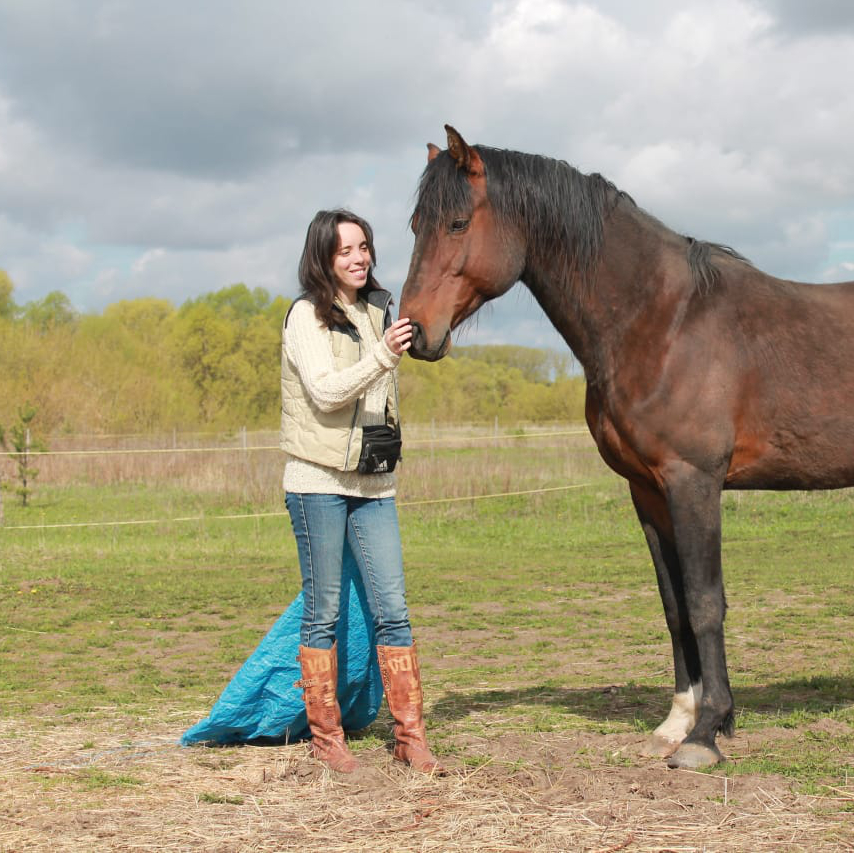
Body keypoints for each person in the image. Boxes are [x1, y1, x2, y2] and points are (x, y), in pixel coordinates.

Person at [280, 208, 444, 775]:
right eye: (346, 249)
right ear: (323, 257)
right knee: (323, 611)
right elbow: (326, 394)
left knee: (393, 610)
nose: (359, 258)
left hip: (374, 485)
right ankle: (328, 740)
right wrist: (383, 355)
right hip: (316, 483)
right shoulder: (305, 316)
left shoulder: (378, 311)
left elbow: (380, 397)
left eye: (365, 247)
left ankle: (410, 736)